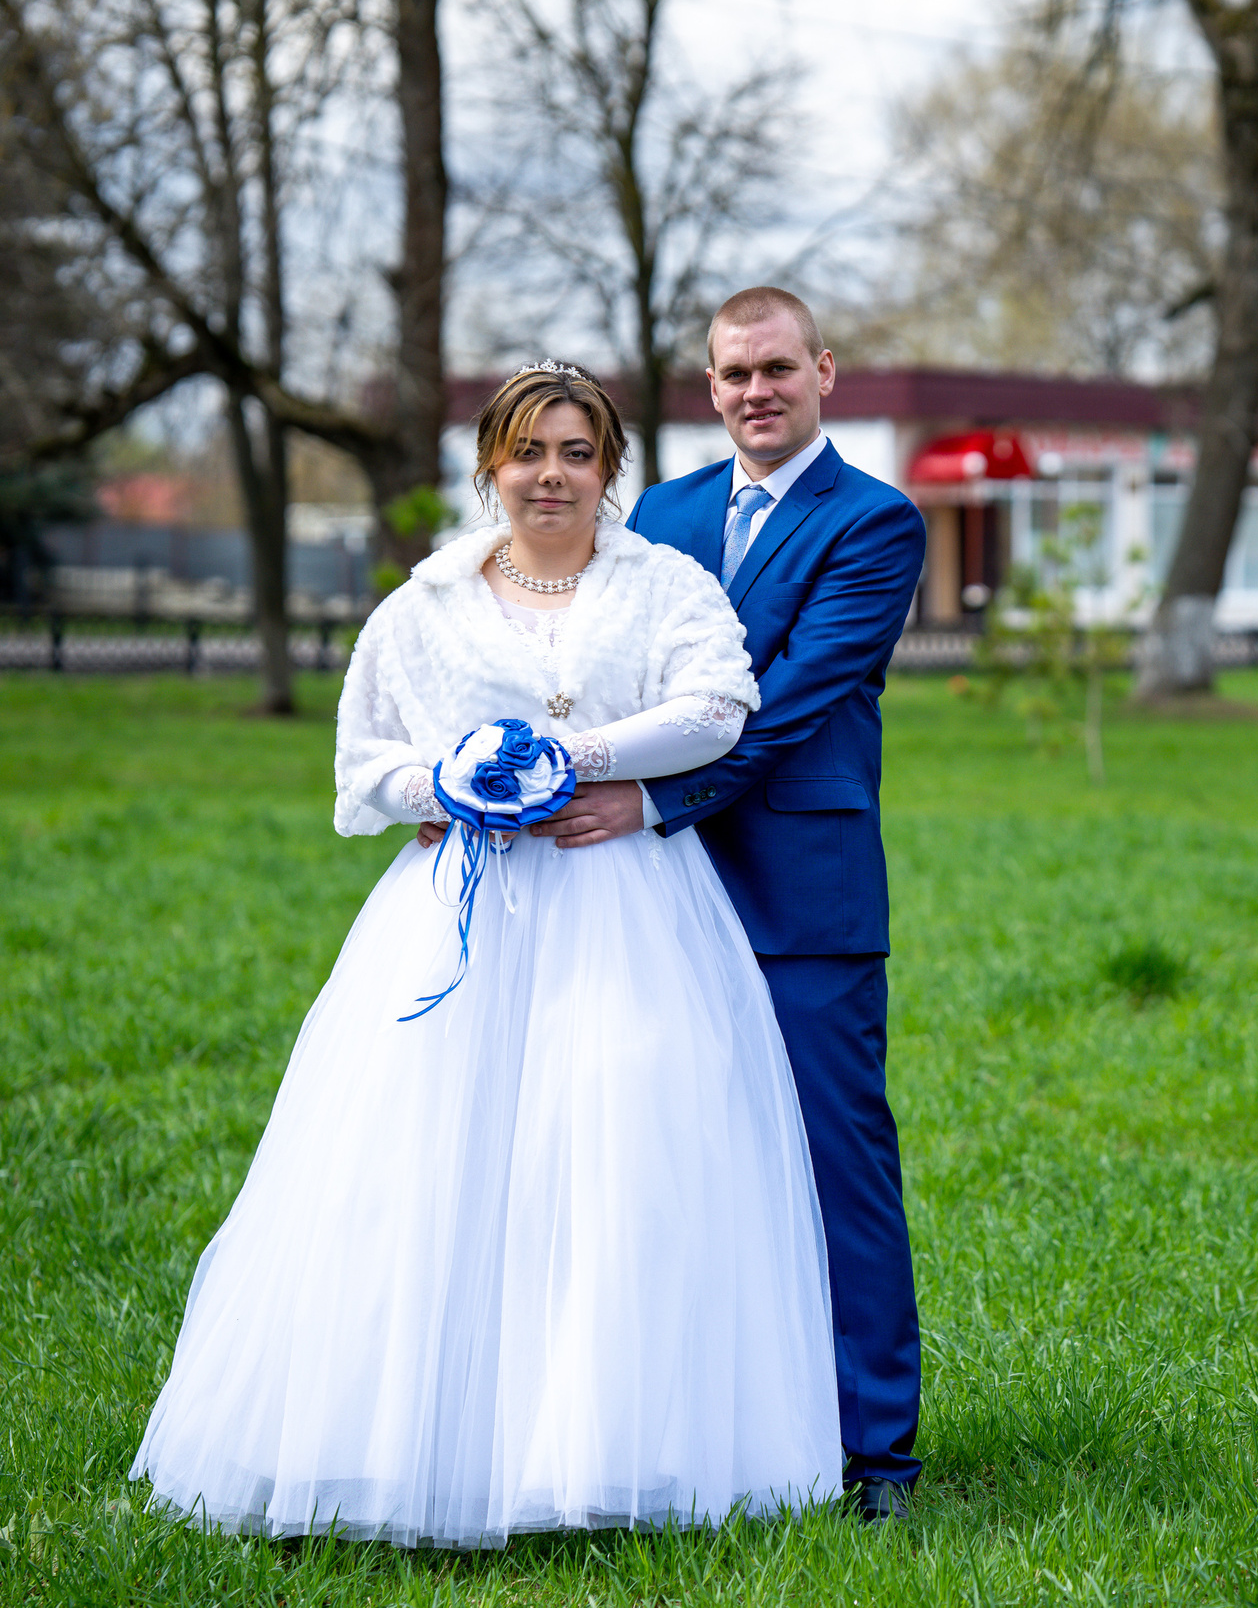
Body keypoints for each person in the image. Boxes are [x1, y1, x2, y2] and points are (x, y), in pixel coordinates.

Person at [128, 362, 840, 1547]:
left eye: (575, 452)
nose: (550, 474)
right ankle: (409, 1444)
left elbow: (720, 709)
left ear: (610, 470)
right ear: (489, 467)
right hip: (459, 915)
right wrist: (445, 782)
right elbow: (366, 763)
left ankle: (604, 1447)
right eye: (527, 452)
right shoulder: (424, 604)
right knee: (423, 1160)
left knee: (617, 1154)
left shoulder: (666, 587)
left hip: (628, 911)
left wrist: (576, 760)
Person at [538, 287, 930, 1522]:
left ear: (823, 370)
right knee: (669, 1162)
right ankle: (705, 1431)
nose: (754, 391)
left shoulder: (877, 523)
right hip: (652, 901)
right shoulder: (661, 512)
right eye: (730, 375)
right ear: (707, 389)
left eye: (775, 369)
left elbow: (791, 696)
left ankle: (876, 1453)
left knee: (835, 1163)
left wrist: (649, 798)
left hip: (799, 898)